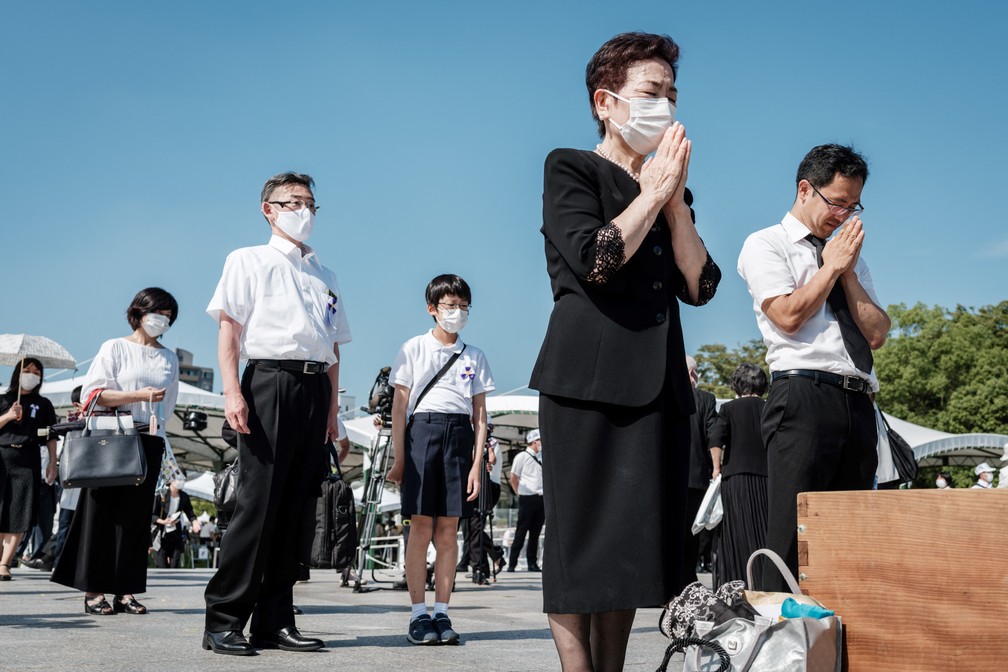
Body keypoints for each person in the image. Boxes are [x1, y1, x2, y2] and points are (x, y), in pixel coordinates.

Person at [528, 31, 721, 671]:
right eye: (650, 92)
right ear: (606, 102)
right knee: (581, 548)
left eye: (671, 93)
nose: (665, 105)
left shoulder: (670, 192)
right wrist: (651, 194)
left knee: (627, 552)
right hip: (586, 378)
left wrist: (673, 202)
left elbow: (702, 285)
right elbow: (596, 259)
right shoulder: (570, 167)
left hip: (657, 382)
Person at [203, 172, 350, 655]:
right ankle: (224, 619)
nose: (304, 211)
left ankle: (275, 619)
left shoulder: (324, 274)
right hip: (268, 381)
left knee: (298, 508)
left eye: (311, 203)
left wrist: (333, 411)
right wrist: (231, 393)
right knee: (258, 504)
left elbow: (332, 348)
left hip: (313, 388)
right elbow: (229, 331)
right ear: (269, 209)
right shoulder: (248, 259)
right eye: (293, 203)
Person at [738, 144, 890, 589]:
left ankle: (836, 645)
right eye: (837, 202)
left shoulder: (849, 257)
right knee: (790, 534)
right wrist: (829, 269)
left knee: (852, 536)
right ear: (806, 189)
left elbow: (877, 332)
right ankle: (777, 647)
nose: (844, 214)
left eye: (853, 205)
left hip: (858, 398)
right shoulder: (767, 243)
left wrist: (845, 271)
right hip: (803, 395)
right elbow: (785, 316)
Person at [51, 287, 178, 614]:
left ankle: (127, 590)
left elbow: (170, 404)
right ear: (138, 312)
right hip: (110, 438)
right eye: (156, 313)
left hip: (148, 440)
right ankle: (94, 590)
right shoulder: (115, 347)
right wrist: (138, 395)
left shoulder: (169, 357)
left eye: (167, 315)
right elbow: (92, 395)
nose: (161, 320)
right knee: (101, 515)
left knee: (136, 521)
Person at [385, 274, 494, 646]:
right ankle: (418, 614)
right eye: (450, 306)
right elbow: (400, 407)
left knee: (449, 529)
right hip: (422, 432)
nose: (457, 313)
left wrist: (477, 463)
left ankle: (443, 610)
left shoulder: (475, 355)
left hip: (459, 435)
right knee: (420, 527)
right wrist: (400, 458)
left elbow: (480, 415)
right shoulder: (413, 347)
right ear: (431, 309)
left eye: (463, 306)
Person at [709, 364, 769, 588]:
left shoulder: (729, 409)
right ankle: (764, 583)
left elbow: (715, 439)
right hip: (767, 477)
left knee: (736, 534)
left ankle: (737, 584)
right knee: (763, 530)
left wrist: (716, 468)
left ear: (737, 384)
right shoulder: (770, 407)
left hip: (736, 478)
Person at [0, 359, 58, 580]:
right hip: (2, 456)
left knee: (19, 512)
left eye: (36, 372)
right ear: (18, 373)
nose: (31, 375)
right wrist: (7, 416)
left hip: (28, 459)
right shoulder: (4, 399)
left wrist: (52, 462)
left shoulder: (43, 404)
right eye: (27, 370)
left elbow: (51, 435)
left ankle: (5, 563)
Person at [682, 355, 717, 586]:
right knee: (692, 532)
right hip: (696, 475)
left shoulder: (665, 398)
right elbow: (713, 434)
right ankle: (687, 579)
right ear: (693, 374)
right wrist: (716, 467)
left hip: (666, 477)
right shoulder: (705, 399)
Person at [457, 425, 503, 584]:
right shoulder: (471, 440)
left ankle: (481, 566)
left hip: (488, 486)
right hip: (473, 483)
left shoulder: (492, 443)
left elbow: (491, 461)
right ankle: (484, 560)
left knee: (476, 526)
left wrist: (486, 445)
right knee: (469, 527)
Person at [507, 429, 544, 573]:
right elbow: (514, 477)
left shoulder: (541, 456)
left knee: (535, 533)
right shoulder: (522, 456)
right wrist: (519, 493)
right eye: (540, 440)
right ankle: (512, 563)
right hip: (527, 497)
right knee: (521, 532)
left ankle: (532, 563)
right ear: (534, 441)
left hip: (540, 498)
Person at [153, 477, 199, 568]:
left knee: (174, 565)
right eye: (179, 479)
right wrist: (163, 522)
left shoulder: (184, 496)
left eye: (183, 479)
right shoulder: (161, 494)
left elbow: (190, 512)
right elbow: (152, 515)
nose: (181, 481)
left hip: (175, 533)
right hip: (160, 534)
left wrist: (194, 522)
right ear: (171, 480)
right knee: (162, 566)